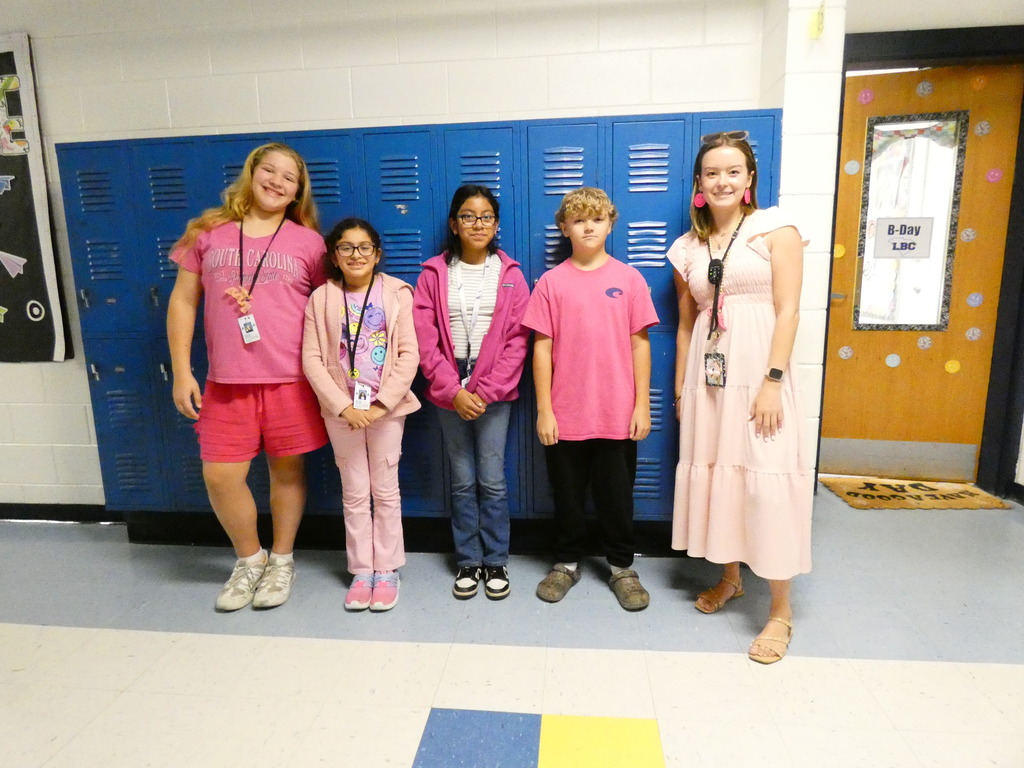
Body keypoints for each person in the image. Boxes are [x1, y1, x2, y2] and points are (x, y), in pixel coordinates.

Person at [668, 130, 813, 664]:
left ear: (749, 179)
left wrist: (773, 381)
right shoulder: (688, 247)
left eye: (733, 171)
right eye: (712, 172)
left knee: (767, 481)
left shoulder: (776, 229)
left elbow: (790, 309)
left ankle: (780, 610)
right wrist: (685, 384)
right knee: (720, 473)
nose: (723, 180)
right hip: (711, 380)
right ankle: (731, 578)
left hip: (760, 373)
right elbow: (687, 325)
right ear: (699, 183)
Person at [167, 142, 328, 611]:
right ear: (251, 172)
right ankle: (249, 560)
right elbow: (182, 302)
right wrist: (182, 371)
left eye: (289, 177)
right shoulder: (209, 232)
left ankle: (281, 560)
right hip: (225, 381)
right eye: (270, 171)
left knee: (287, 471)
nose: (277, 182)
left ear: (298, 191)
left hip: (289, 380)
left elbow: (328, 310)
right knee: (220, 476)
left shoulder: (308, 242)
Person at [522, 187, 659, 611]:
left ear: (610, 224)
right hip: (565, 415)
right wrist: (545, 409)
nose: (588, 226)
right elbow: (541, 348)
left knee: (617, 497)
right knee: (567, 496)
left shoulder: (629, 278)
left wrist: (641, 405)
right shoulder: (551, 282)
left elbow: (640, 344)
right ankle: (565, 562)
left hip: (617, 414)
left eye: (596, 219)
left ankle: (621, 567)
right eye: (578, 219)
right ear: (564, 228)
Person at [413, 185, 530, 601]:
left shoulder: (511, 275)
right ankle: (468, 560)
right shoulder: (433, 274)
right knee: (462, 480)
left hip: (493, 391)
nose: (477, 224)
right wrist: (451, 390)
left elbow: (518, 341)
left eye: (485, 217)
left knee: (493, 480)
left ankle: (496, 558)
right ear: (454, 223)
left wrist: (485, 390)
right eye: (467, 216)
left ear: (496, 225)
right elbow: (424, 339)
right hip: (450, 391)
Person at [302, 218, 420, 612]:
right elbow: (312, 360)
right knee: (354, 492)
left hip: (386, 410)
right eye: (346, 248)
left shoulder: (397, 293)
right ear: (334, 256)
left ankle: (386, 569)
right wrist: (345, 406)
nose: (356, 255)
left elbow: (408, 355)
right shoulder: (321, 298)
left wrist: (381, 403)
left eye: (364, 247)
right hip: (342, 411)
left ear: (377, 253)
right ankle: (361, 570)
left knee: (385, 490)